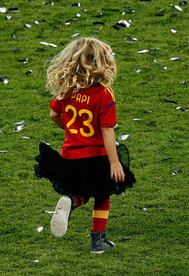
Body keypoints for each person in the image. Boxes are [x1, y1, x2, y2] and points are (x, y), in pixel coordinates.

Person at [34, 37, 136, 254]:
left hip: (70, 155)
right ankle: (98, 241)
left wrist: (70, 129)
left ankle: (70, 202)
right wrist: (115, 162)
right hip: (96, 156)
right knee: (102, 194)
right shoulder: (103, 94)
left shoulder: (67, 90)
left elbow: (54, 114)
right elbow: (107, 130)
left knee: (81, 191)